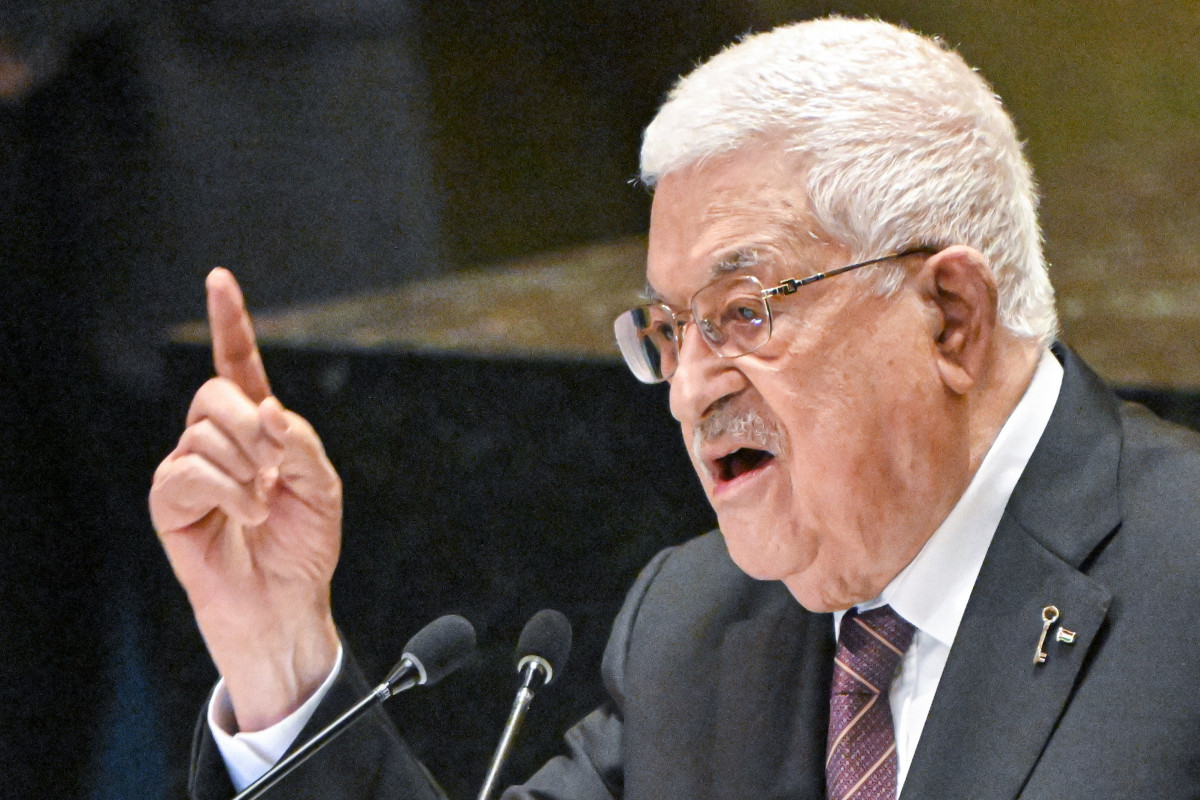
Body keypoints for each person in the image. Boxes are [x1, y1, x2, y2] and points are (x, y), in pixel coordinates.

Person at [151, 16, 1200, 800]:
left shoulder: (1181, 580)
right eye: (668, 328)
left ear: (951, 317)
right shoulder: (696, 634)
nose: (691, 386)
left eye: (743, 312)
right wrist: (280, 657)